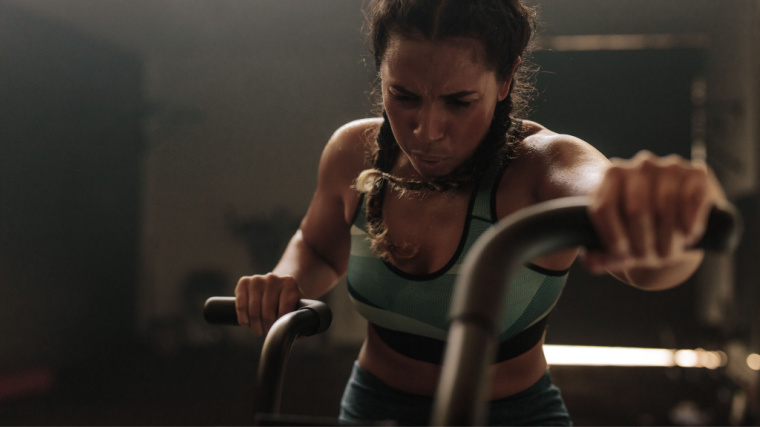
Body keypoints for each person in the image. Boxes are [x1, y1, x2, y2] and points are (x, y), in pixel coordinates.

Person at [234, 0, 727, 425]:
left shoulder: (543, 167)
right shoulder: (353, 151)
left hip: (513, 415)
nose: (426, 130)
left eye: (459, 101)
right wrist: (283, 280)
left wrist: (669, 213)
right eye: (402, 96)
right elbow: (319, 246)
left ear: (506, 78)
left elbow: (642, 260)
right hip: (372, 406)